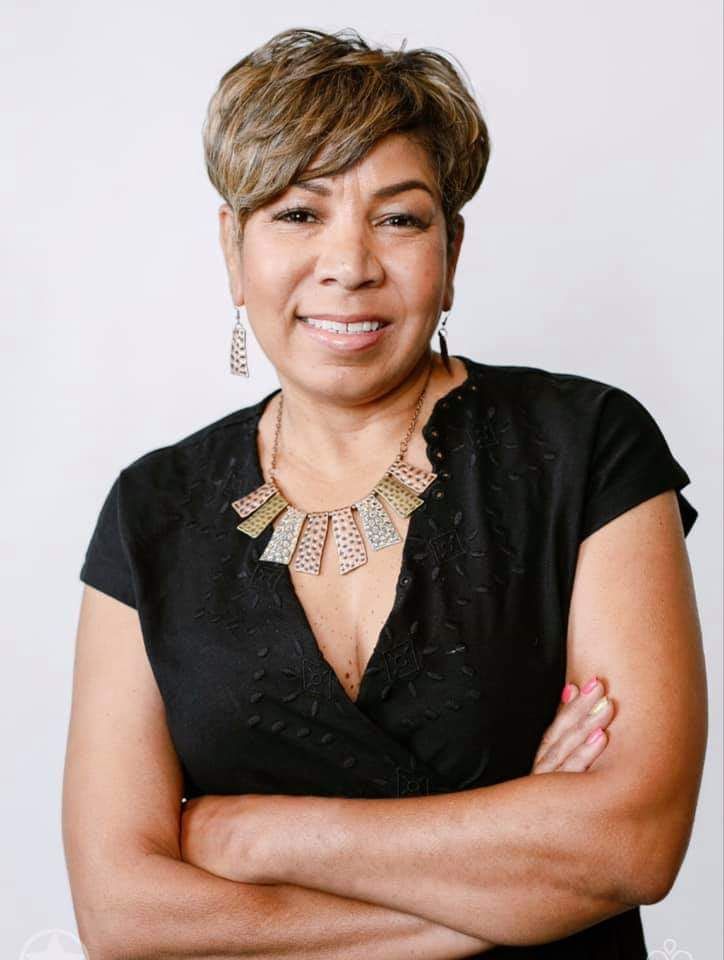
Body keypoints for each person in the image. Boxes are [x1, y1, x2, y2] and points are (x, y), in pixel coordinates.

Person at [63, 27, 706, 959]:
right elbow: (124, 916)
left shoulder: (588, 446)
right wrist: (515, 880)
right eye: (297, 214)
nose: (350, 262)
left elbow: (631, 845)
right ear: (232, 249)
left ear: (452, 249)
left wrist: (252, 837)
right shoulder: (150, 509)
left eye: (399, 218)